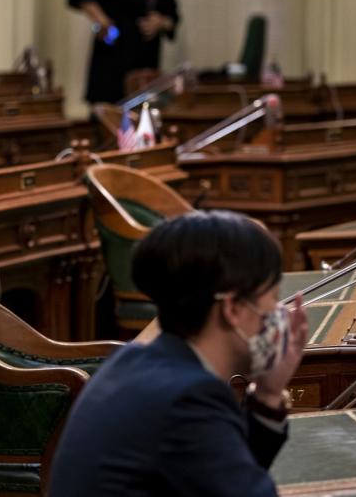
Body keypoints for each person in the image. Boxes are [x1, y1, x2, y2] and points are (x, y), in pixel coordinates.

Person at [48, 210, 308, 497]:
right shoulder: (189, 398)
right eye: (272, 297)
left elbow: (223, 476)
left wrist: (268, 395)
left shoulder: (135, 361)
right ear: (232, 309)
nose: (277, 312)